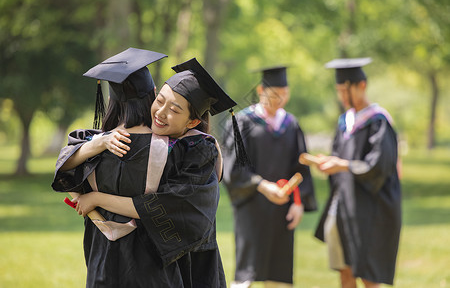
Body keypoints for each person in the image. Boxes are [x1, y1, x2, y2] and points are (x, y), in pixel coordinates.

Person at [52, 52, 238, 287]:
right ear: (152, 95)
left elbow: (173, 206)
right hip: (162, 266)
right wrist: (98, 144)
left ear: (193, 121)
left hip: (109, 261)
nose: (160, 112)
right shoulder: (192, 150)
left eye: (175, 109)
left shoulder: (191, 151)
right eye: (159, 100)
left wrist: (96, 197)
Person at [222, 66, 317, 287]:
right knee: (246, 273)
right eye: (275, 94)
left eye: (285, 93)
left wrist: (298, 202)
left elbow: (301, 169)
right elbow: (234, 168)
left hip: (283, 209)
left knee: (279, 275)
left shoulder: (291, 124)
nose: (281, 99)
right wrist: (264, 186)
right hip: (251, 208)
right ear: (261, 90)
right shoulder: (243, 122)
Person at [313, 58, 402, 288]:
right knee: (345, 272)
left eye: (345, 90)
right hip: (344, 207)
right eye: (338, 91)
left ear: (361, 86)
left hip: (371, 211)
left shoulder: (378, 121)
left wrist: (342, 165)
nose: (342, 97)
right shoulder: (345, 121)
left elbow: (378, 166)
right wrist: (328, 164)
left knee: (369, 276)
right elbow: (337, 158)